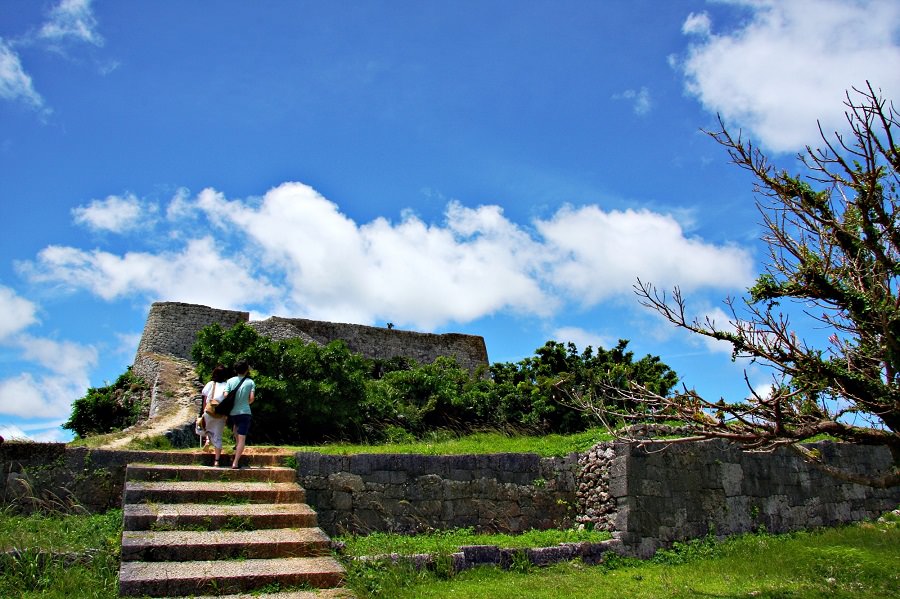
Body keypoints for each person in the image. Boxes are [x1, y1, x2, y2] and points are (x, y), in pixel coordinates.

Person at [224, 360, 255, 469]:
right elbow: (251, 399)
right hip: (245, 412)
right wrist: (244, 403)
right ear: (246, 370)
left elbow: (226, 395)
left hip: (233, 412)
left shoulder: (230, 381)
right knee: (242, 438)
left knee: (235, 429)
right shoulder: (250, 382)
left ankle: (236, 446)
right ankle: (235, 462)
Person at [201, 365, 230, 467]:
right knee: (218, 437)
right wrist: (227, 416)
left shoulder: (210, 384)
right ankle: (216, 461)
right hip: (221, 414)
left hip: (209, 411)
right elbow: (228, 402)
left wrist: (204, 411)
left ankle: (208, 439)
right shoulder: (227, 386)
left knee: (204, 428)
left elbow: (205, 399)